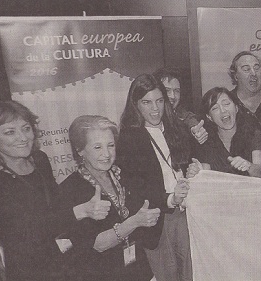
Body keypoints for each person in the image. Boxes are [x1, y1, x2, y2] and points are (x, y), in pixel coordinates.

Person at [0, 101, 108, 280]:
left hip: (68, 262)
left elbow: (57, 207)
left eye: (26, 128)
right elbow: (23, 234)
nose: (23, 137)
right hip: (32, 272)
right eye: (10, 132)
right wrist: (80, 211)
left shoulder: (40, 160)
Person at [58, 115, 162, 281]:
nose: (106, 154)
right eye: (97, 147)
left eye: (111, 145)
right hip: (102, 273)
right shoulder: (70, 190)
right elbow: (98, 244)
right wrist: (135, 222)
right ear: (80, 150)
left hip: (139, 269)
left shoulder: (123, 175)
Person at [116, 74, 194, 281]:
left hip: (185, 213)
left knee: (191, 273)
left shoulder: (176, 128)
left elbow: (182, 166)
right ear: (136, 104)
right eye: (147, 102)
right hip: (156, 220)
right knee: (167, 275)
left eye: (159, 101)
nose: (155, 109)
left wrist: (193, 170)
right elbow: (136, 188)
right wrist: (170, 198)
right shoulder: (128, 138)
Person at [196, 87, 261, 177]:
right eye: (215, 108)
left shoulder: (253, 134)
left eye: (226, 104)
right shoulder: (206, 141)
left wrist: (248, 166)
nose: (223, 110)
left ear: (236, 108)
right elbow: (206, 175)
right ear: (209, 117)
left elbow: (259, 172)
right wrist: (196, 173)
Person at [154, 67, 208, 144]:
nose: (172, 96)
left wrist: (195, 129)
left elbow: (189, 118)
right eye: (167, 90)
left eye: (176, 91)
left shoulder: (181, 114)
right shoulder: (149, 118)